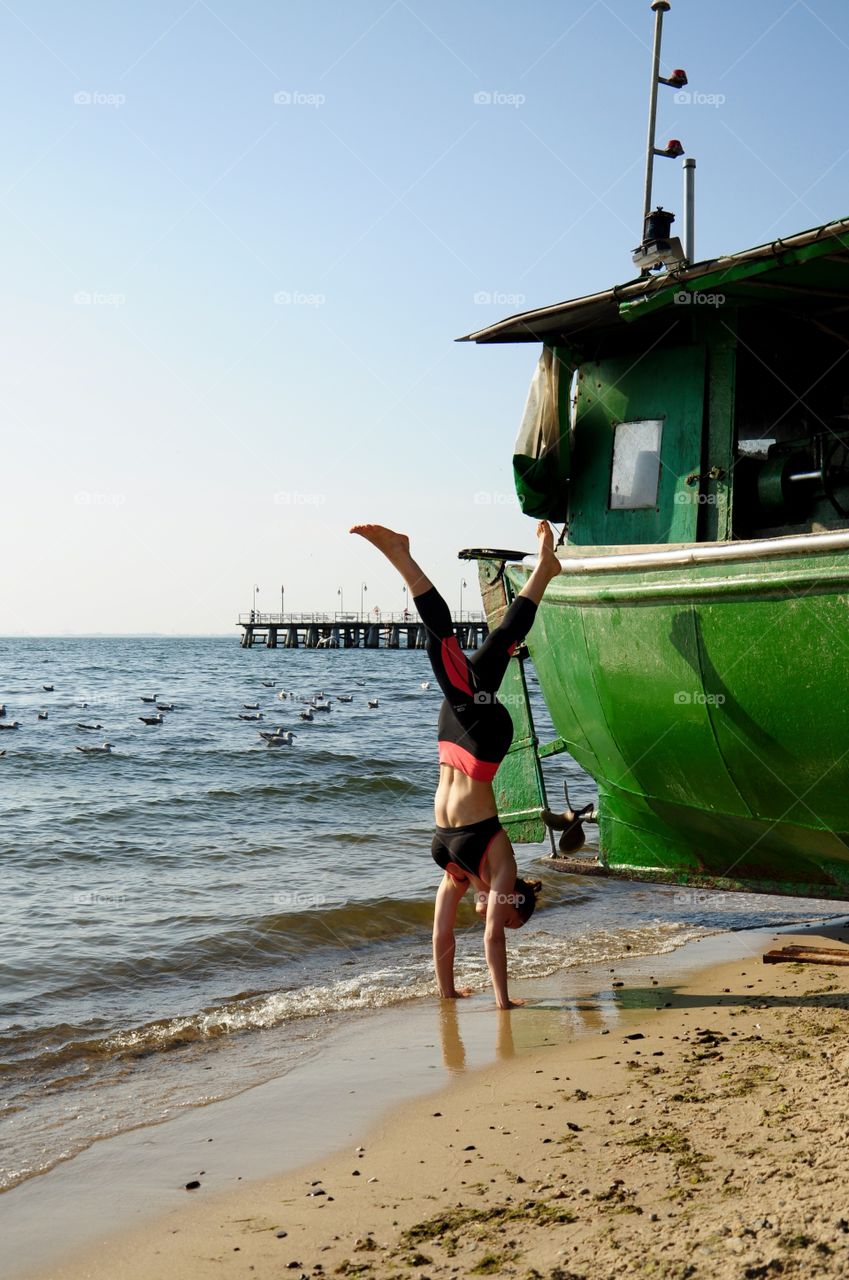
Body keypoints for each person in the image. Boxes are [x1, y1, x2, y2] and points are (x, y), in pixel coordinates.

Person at [350, 520, 562, 1009]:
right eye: (510, 914)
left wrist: (447, 993)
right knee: (441, 646)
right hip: (484, 737)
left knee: (501, 643)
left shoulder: (458, 871)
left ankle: (545, 571)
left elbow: (441, 930)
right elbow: (492, 939)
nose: (496, 914)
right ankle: (402, 556)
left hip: (453, 734)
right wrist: (502, 1001)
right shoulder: (502, 866)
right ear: (514, 902)